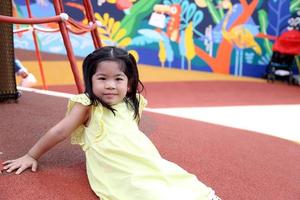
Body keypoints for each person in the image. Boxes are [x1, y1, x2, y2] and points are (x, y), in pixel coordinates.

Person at [2, 46, 221, 200]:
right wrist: (31, 155)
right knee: (143, 191)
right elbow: (59, 131)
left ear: (129, 83)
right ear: (91, 80)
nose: (110, 85)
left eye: (118, 79)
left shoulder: (131, 102)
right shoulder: (88, 105)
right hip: (115, 167)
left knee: (175, 180)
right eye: (102, 78)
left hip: (141, 158)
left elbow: (128, 131)